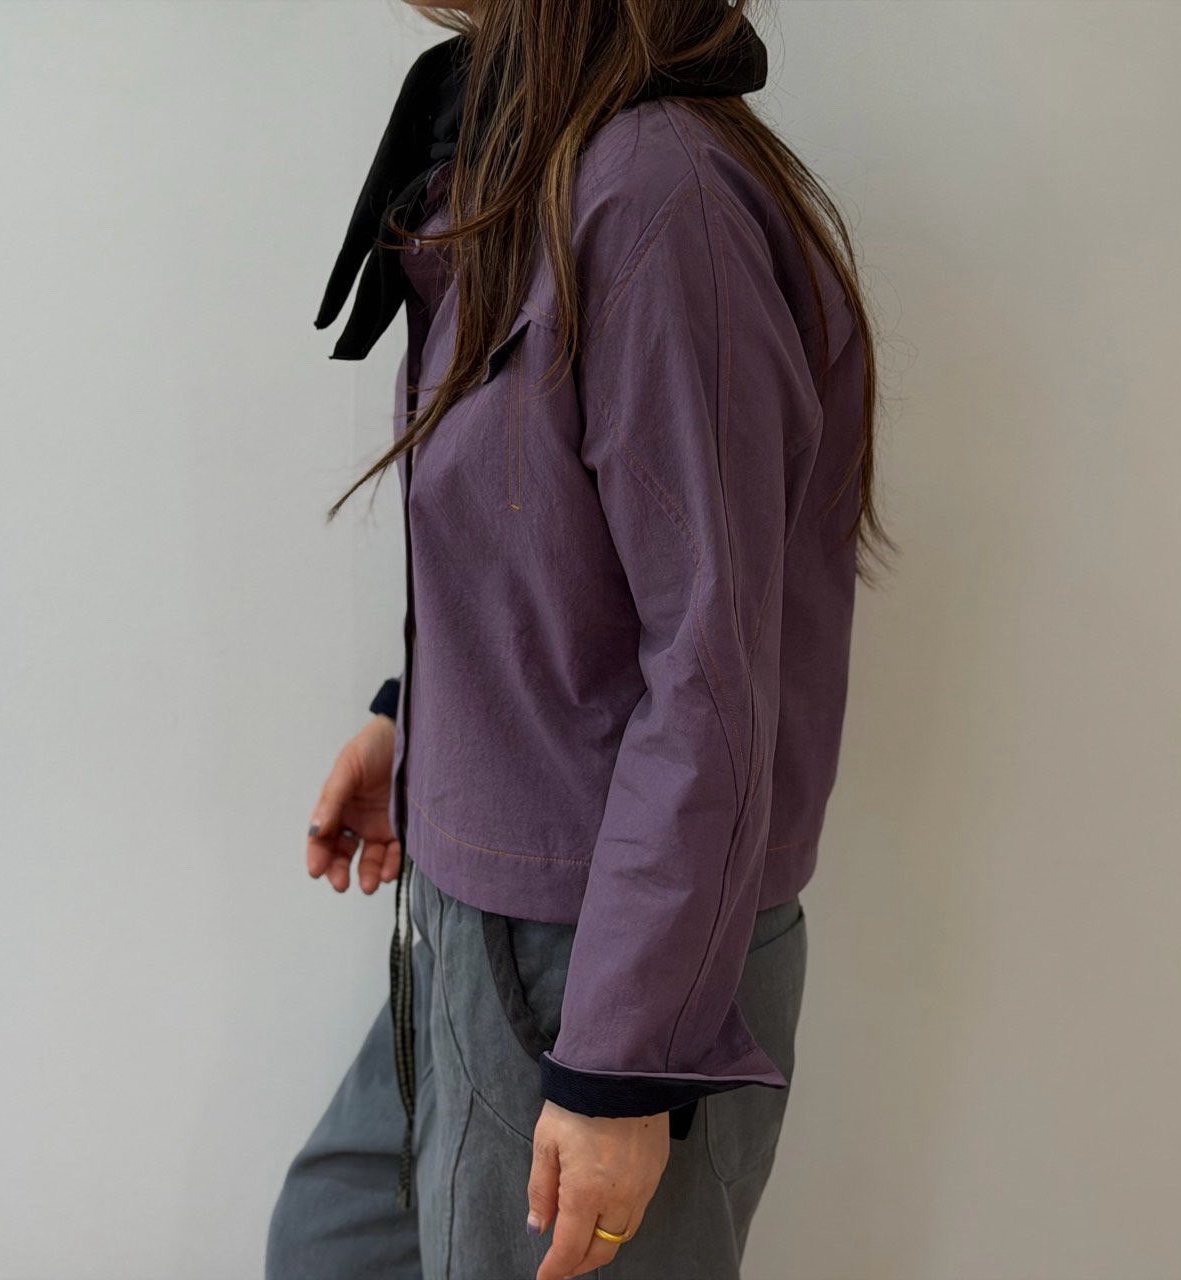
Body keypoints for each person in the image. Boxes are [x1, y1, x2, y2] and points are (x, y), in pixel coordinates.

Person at [266, 2, 890, 1276]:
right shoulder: (533, 155)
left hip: (605, 953)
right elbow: (553, 547)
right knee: (331, 1245)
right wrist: (415, 721)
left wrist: (622, 1065)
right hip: (482, 920)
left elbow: (714, 668)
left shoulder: (657, 196)